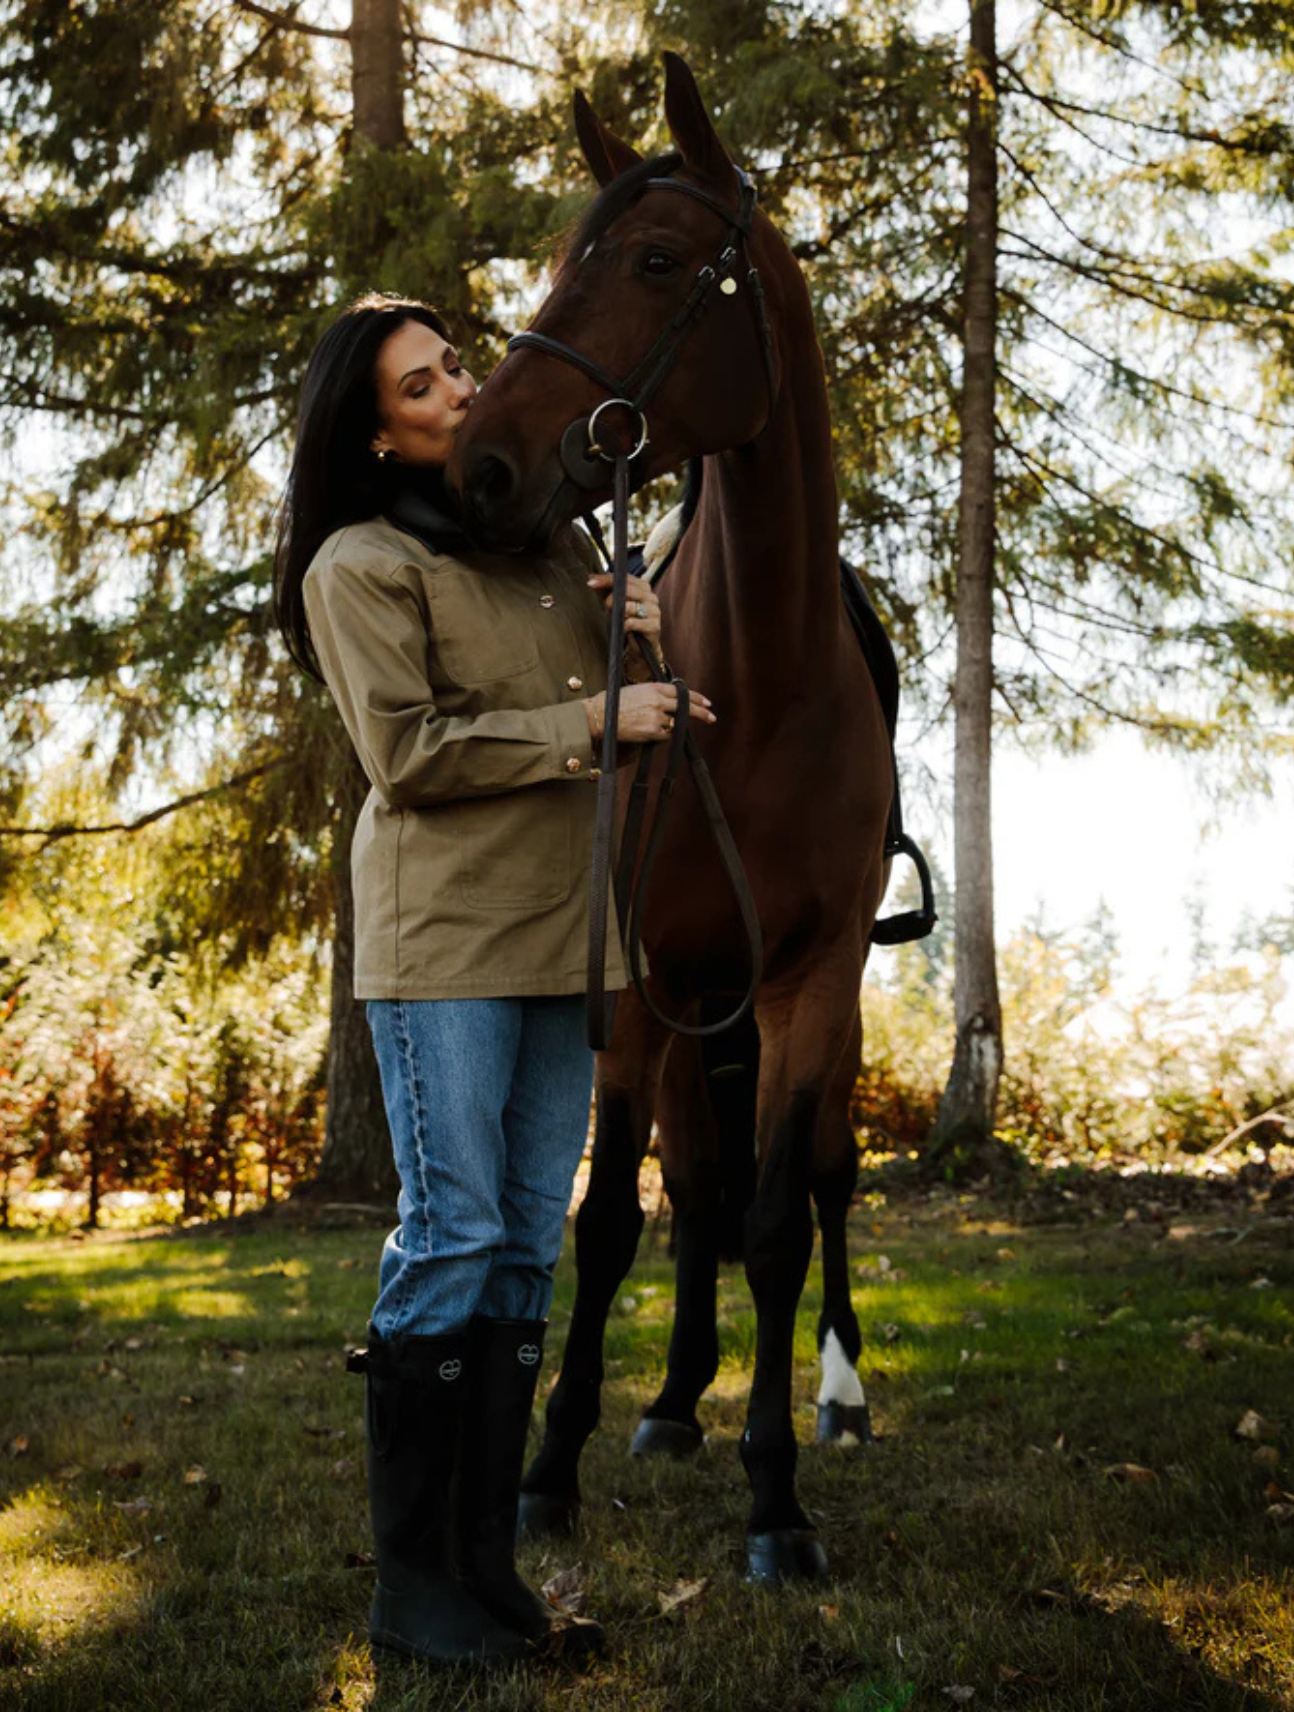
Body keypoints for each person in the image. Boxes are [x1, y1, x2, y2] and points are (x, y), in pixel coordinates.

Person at [271, 291, 715, 1668]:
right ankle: (415, 1593)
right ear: (376, 433)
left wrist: (642, 642)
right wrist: (595, 712)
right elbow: (411, 755)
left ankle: (486, 1571)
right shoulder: (356, 566)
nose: (460, 392)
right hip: (446, 943)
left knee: (527, 1241)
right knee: (454, 1232)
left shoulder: (542, 550)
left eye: (456, 367)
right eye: (422, 387)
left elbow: (628, 732)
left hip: (567, 935)